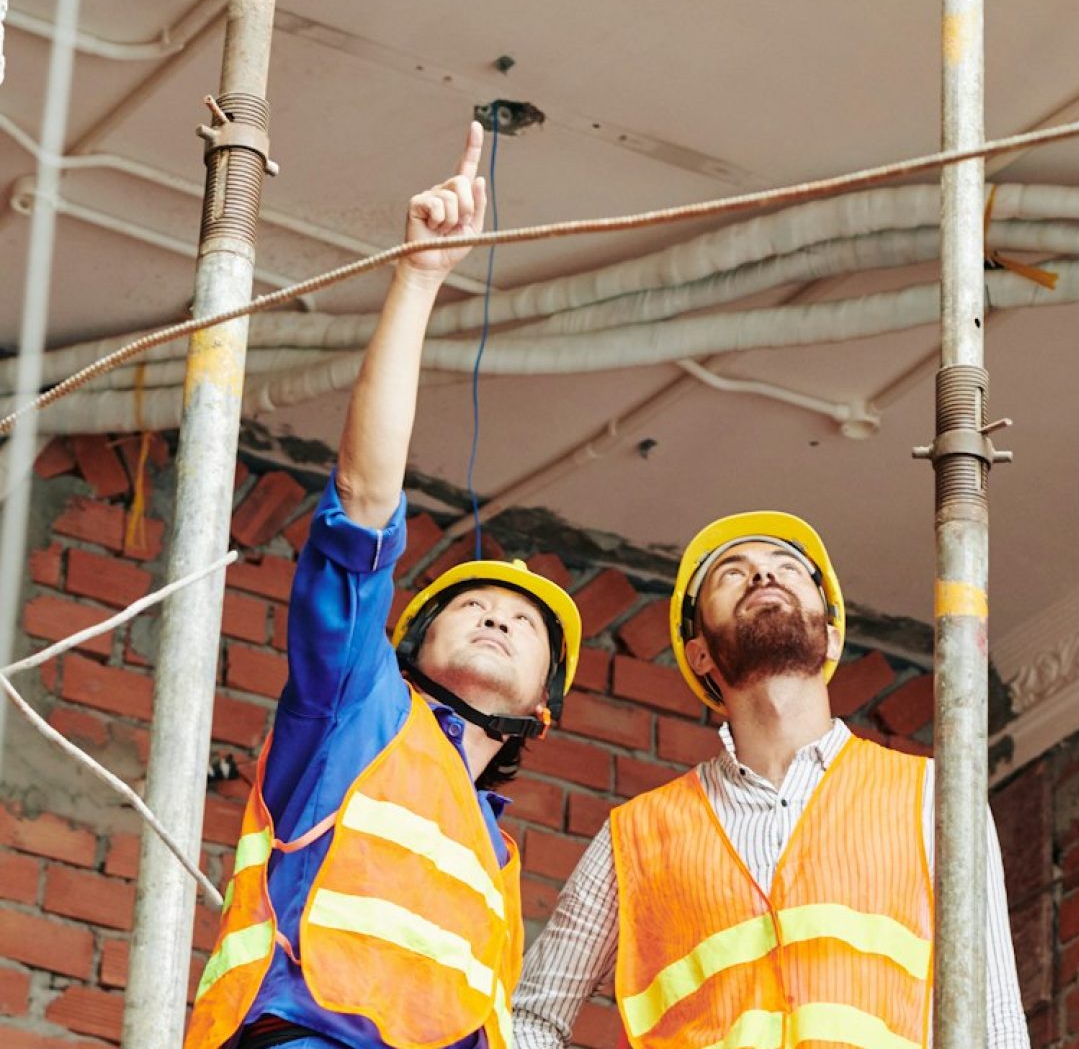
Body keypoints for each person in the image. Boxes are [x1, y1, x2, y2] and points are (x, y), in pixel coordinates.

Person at [187, 124, 583, 1049]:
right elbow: (364, 503)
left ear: (544, 708)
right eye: (472, 605)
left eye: (525, 623)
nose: (496, 613)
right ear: (409, 646)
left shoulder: (495, 866)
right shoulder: (354, 708)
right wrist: (419, 279)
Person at [513, 513, 1031, 1048]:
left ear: (831, 639)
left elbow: (994, 1019)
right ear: (700, 655)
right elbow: (531, 1018)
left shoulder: (933, 795)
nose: (764, 576)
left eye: (787, 567)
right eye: (732, 574)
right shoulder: (638, 836)